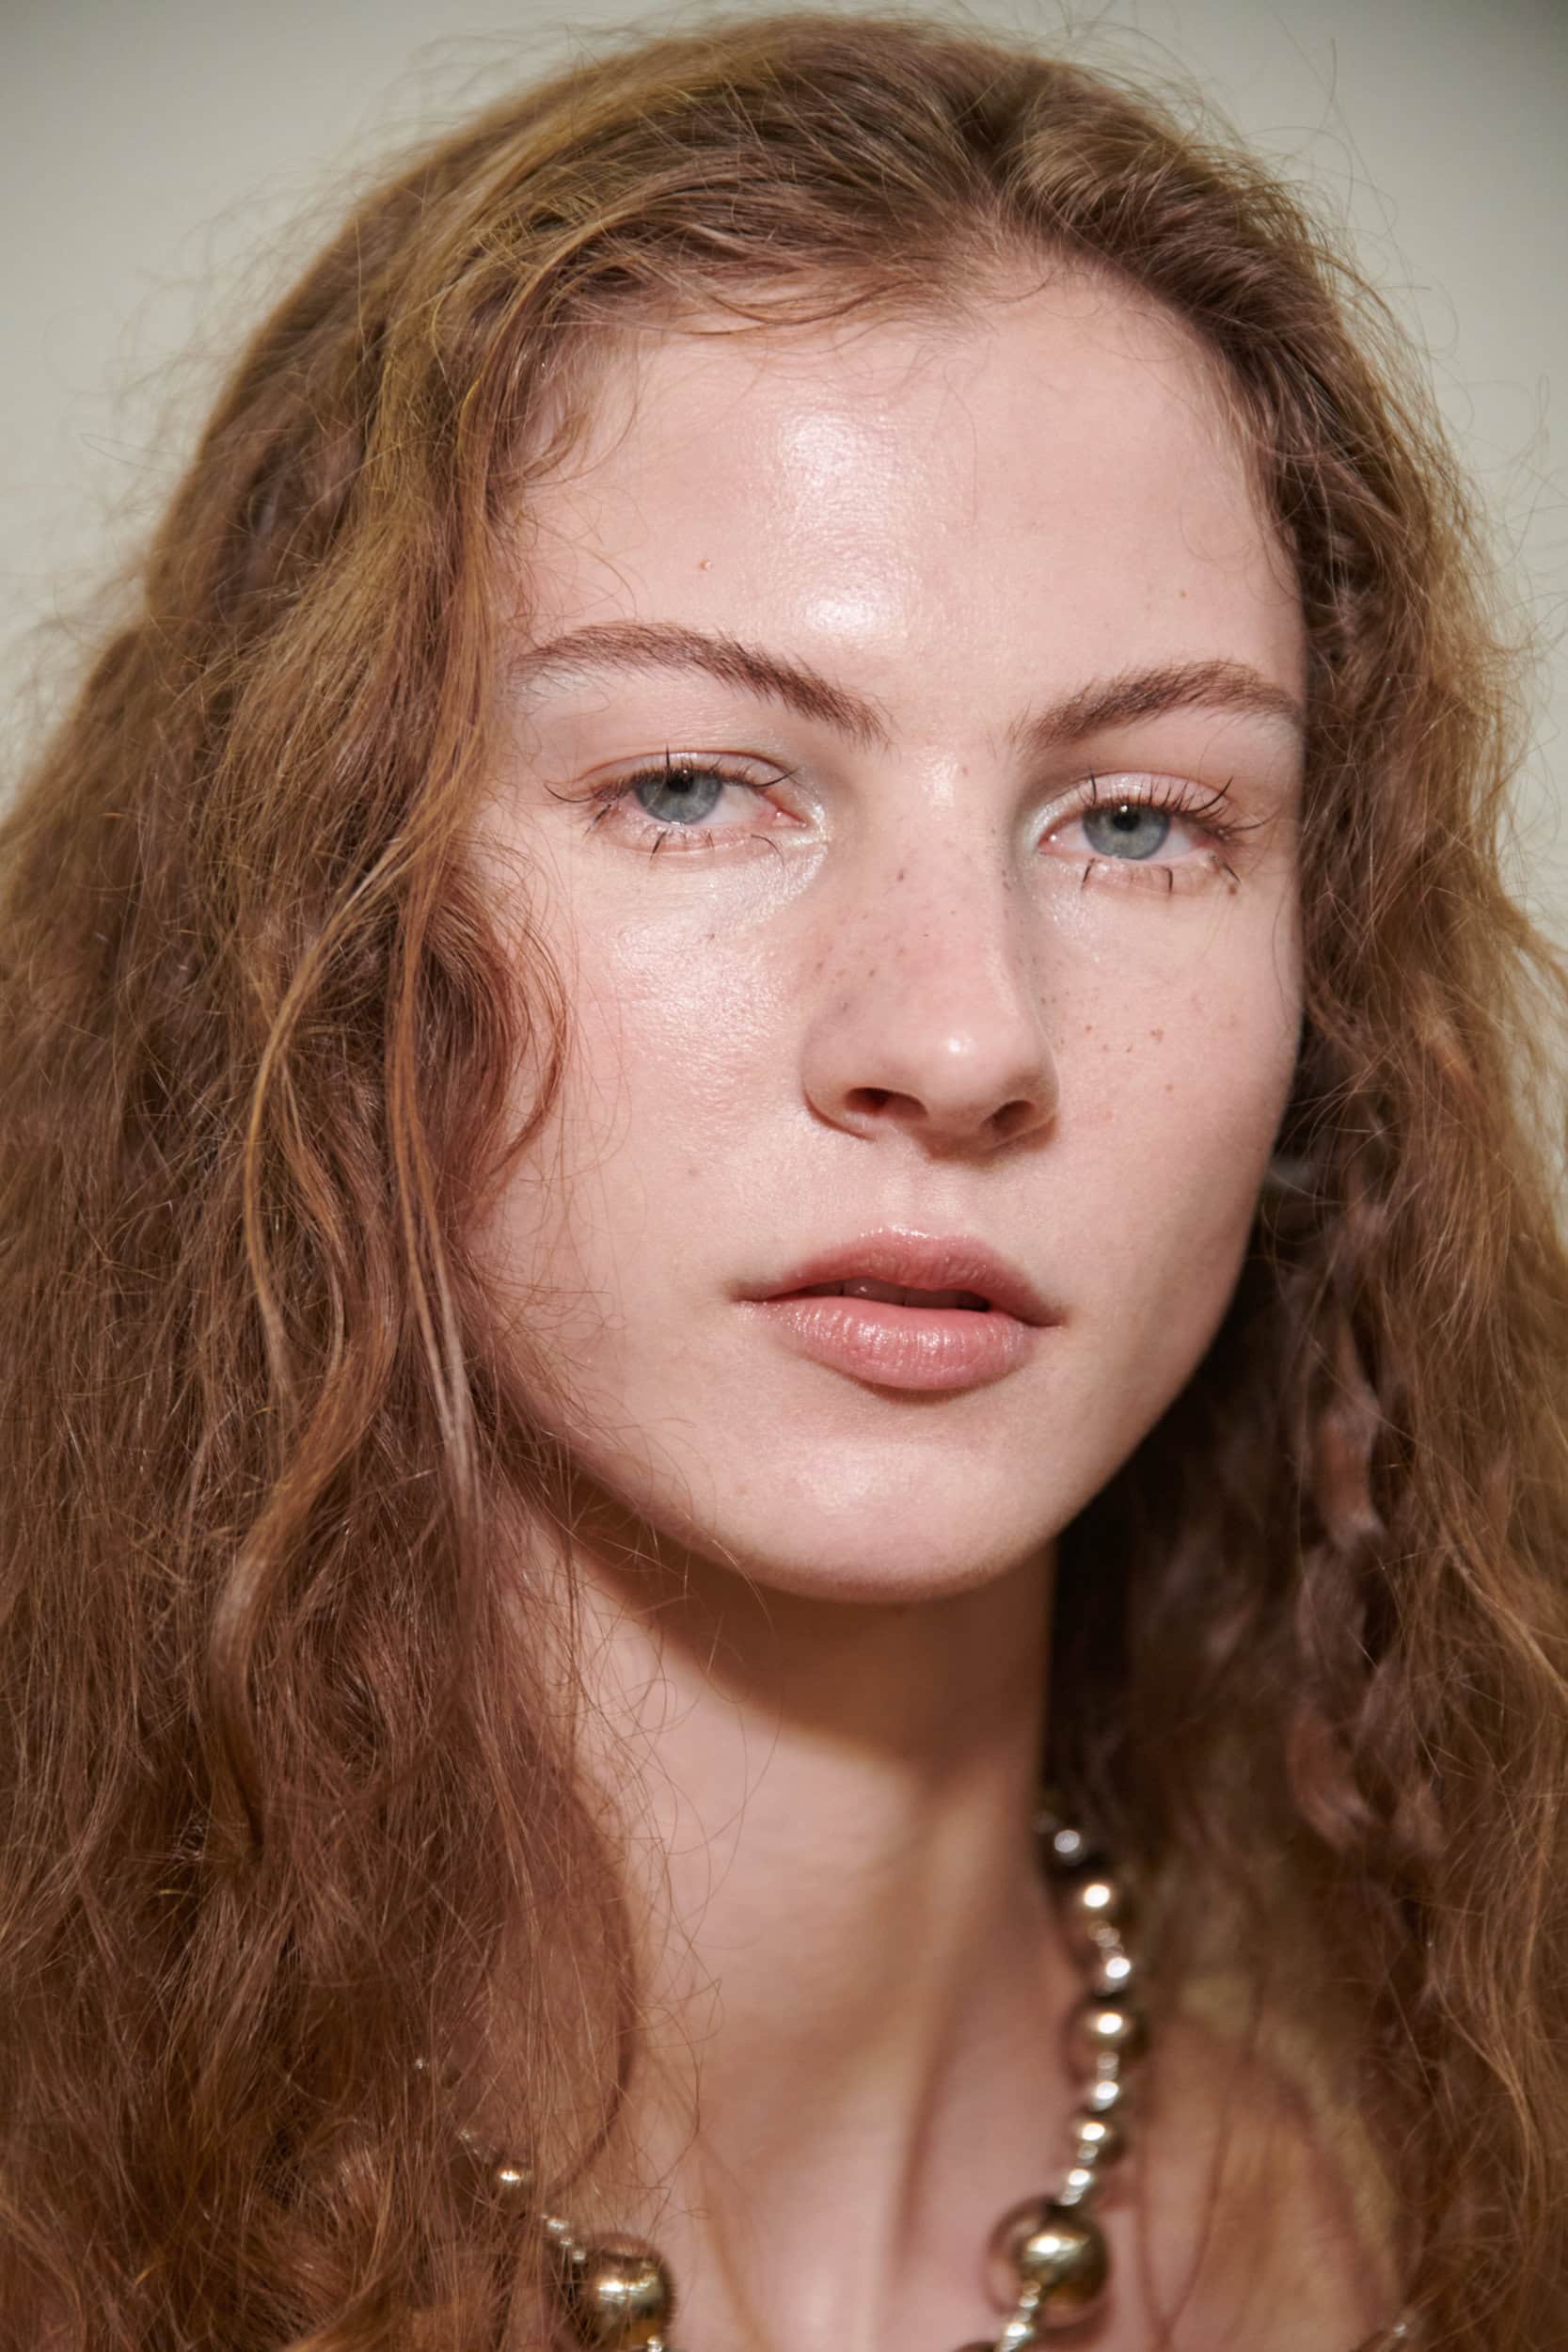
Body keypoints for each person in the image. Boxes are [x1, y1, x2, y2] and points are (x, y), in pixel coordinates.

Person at [3, 10, 1566, 2348]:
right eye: (692, 788)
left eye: (1142, 820)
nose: (962, 1037)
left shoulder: (1447, 2227)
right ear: (319, 909)